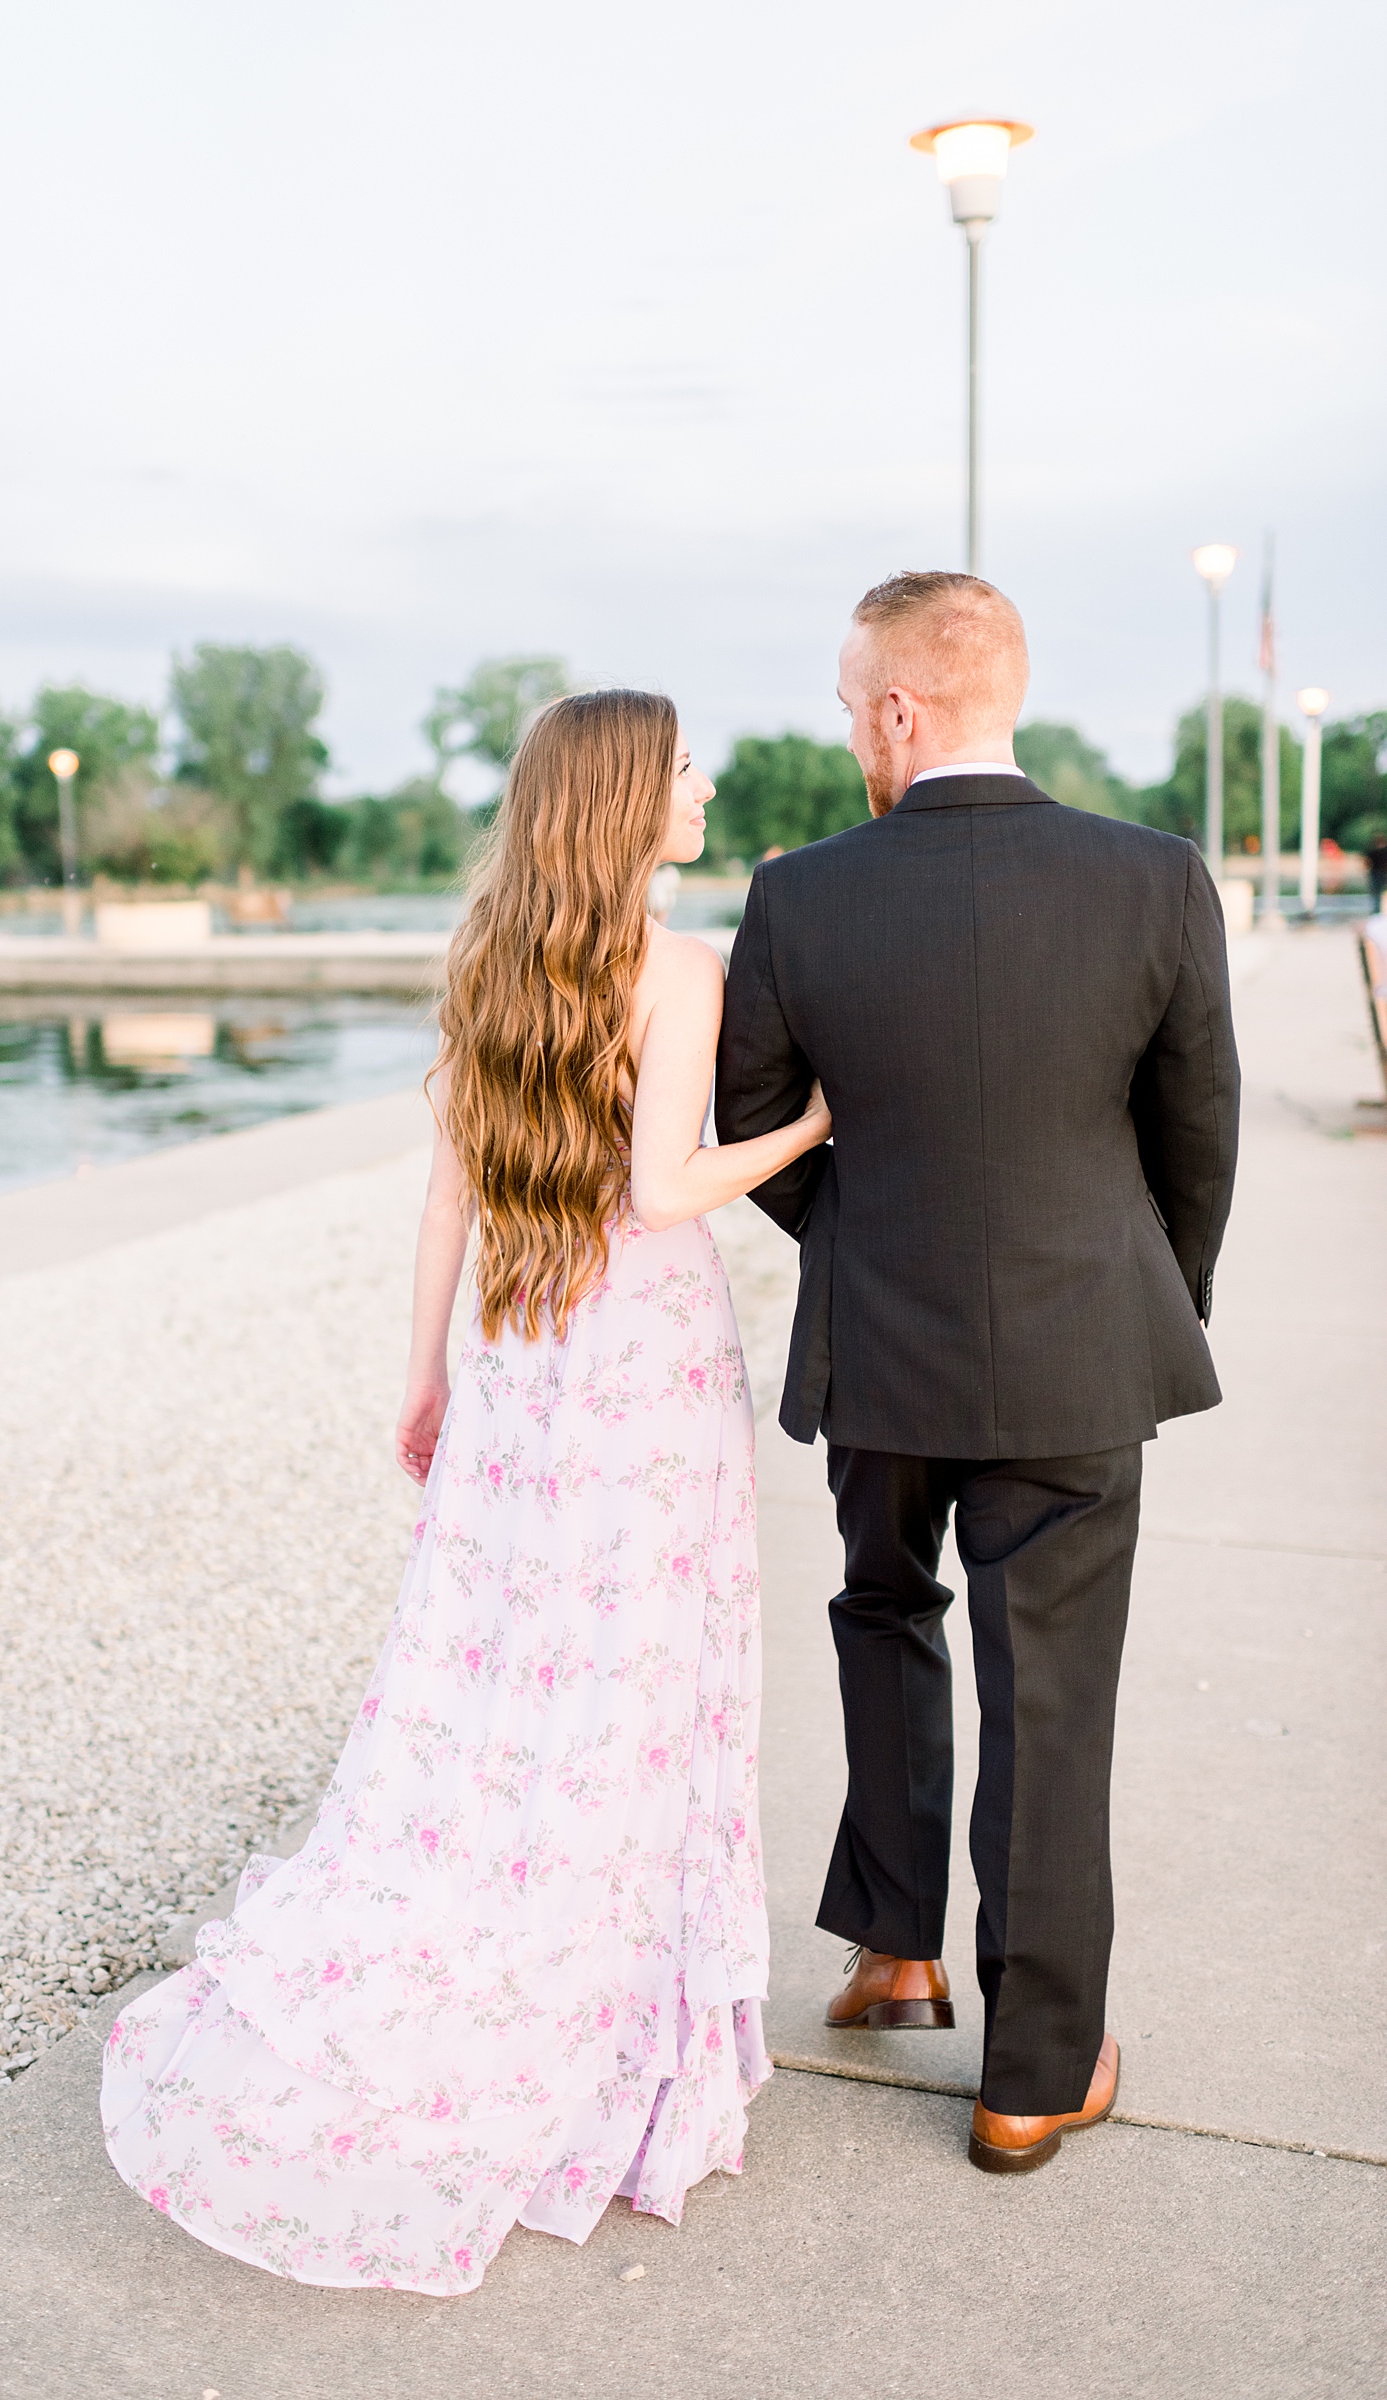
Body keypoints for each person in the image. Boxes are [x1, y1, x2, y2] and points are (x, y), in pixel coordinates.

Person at [101, 691, 831, 2291]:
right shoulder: (678, 967)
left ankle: (486, 1891)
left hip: (514, 1348)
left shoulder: (493, 957)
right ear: (632, 796)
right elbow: (661, 1189)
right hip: (636, 1364)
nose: (704, 787)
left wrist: (421, 1373)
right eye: (687, 766)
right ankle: (615, 1989)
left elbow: (446, 1190)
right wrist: (801, 1130)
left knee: (504, 1659)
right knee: (639, 1674)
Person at [715, 572, 1238, 2175]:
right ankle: (1031, 2073)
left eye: (843, 700)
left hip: (877, 1348)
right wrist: (1143, 1297)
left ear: (896, 708)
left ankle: (894, 1948)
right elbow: (1193, 1135)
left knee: (882, 1611)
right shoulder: (1153, 878)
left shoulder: (798, 896)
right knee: (1052, 1701)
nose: (844, 728)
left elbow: (753, 1133)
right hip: (1080, 1350)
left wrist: (857, 1236)